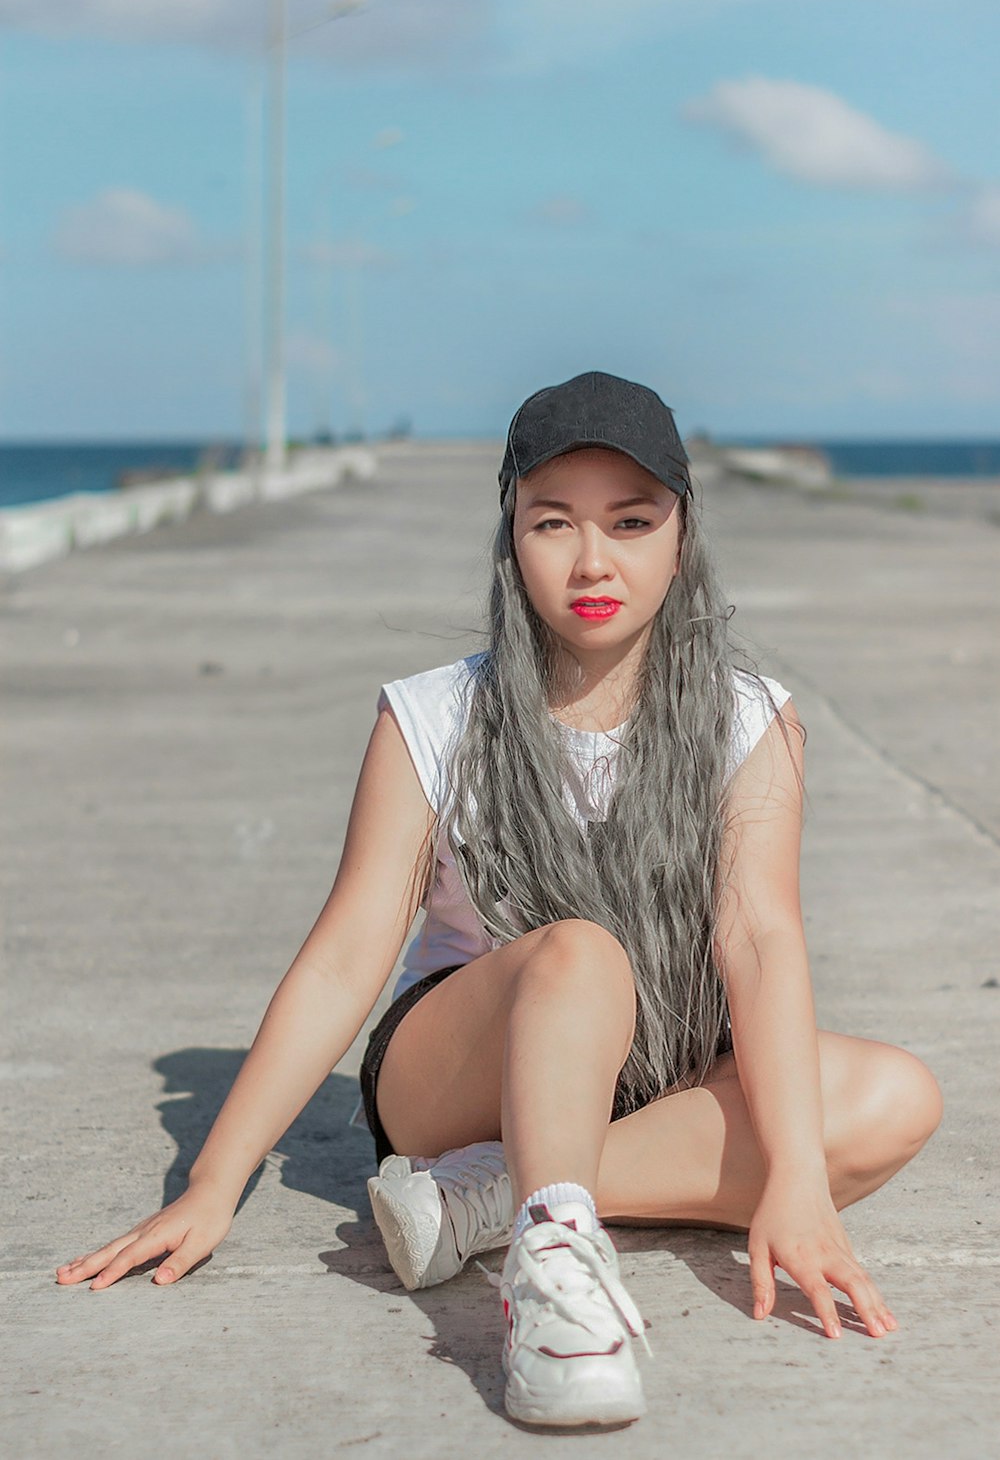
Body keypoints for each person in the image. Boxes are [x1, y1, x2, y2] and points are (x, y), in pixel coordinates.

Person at [56, 371, 943, 1429]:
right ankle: (555, 1276)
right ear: (510, 536)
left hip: (644, 1069)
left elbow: (759, 938)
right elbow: (345, 956)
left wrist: (797, 1174)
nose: (592, 560)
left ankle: (486, 1196)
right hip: (456, 1068)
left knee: (893, 1098)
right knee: (578, 955)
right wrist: (213, 1182)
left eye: (630, 521)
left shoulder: (750, 721)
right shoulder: (434, 717)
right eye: (552, 522)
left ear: (681, 534)